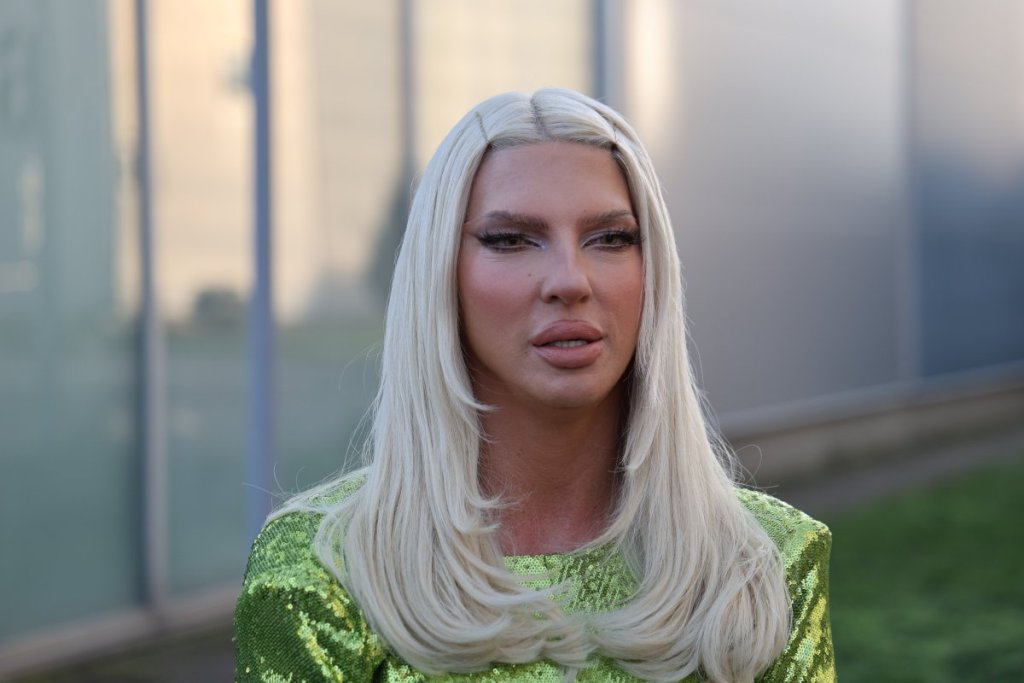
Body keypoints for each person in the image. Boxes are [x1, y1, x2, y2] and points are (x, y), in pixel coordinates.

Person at [235, 89, 835, 682]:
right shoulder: (324, 570)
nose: (569, 281)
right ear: (441, 273)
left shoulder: (763, 562)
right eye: (510, 239)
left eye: (611, 238)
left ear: (653, 270)